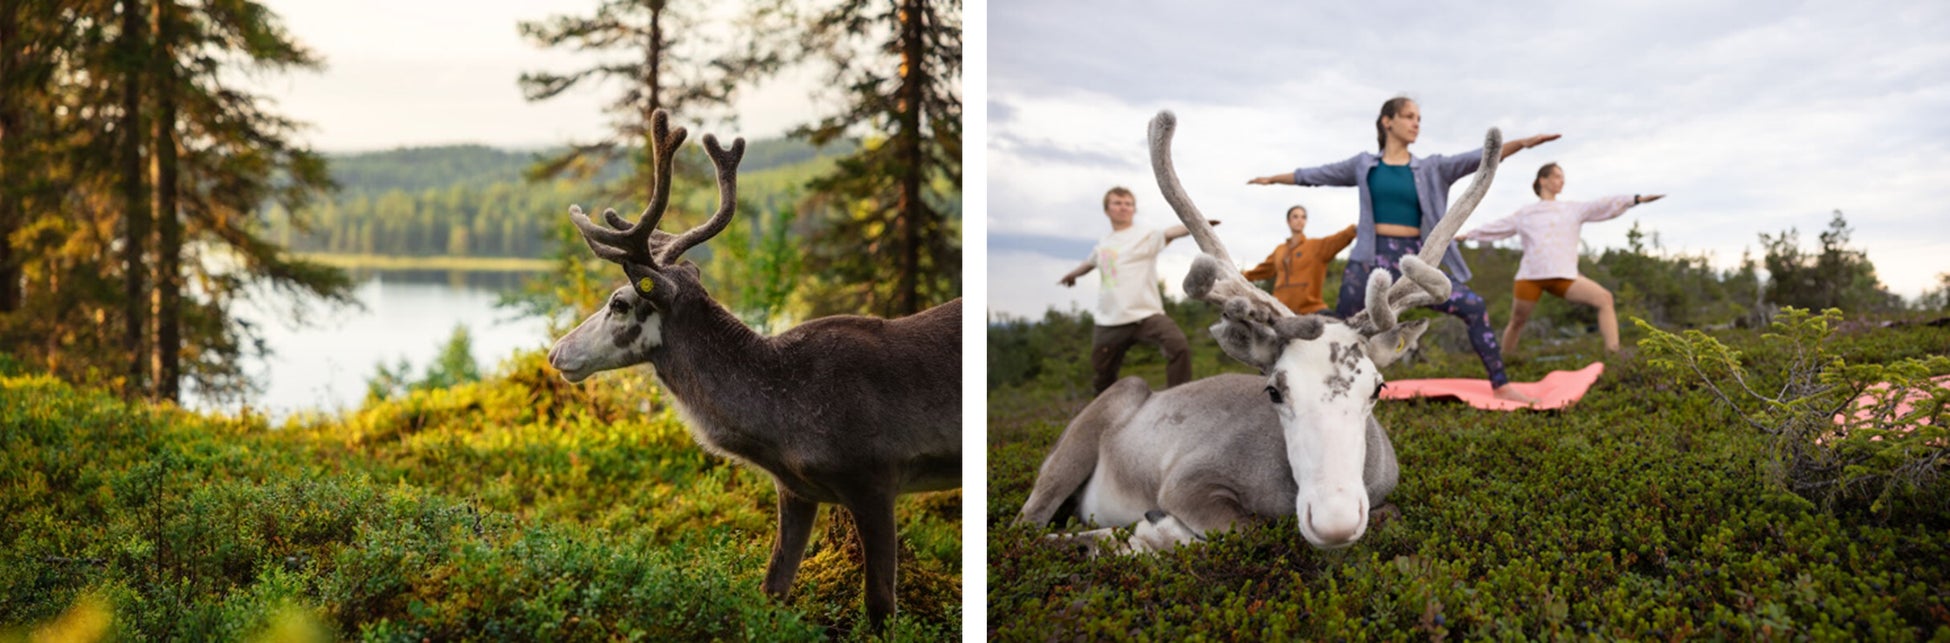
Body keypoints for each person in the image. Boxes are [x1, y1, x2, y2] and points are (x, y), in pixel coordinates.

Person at [1245, 96, 1558, 404]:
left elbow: (1482, 157)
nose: (1416, 124)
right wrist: (1274, 179)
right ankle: (1315, 394)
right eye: (1409, 116)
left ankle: (1501, 385)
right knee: (1341, 330)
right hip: (1368, 261)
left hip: (1416, 262)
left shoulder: (1433, 167)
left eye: (1419, 119)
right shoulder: (1363, 165)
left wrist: (1524, 143)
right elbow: (1315, 175)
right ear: (1387, 121)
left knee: (1473, 306)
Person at [1457, 162, 1665, 357]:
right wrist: (1468, 235)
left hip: (1563, 277)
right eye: (1556, 176)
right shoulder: (1526, 213)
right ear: (1543, 180)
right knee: (1518, 321)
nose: (1561, 180)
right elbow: (1497, 227)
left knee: (1604, 299)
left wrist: (1635, 199)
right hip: (1531, 277)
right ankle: (1503, 365)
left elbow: (1602, 204)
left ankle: (1614, 356)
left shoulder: (1572, 209)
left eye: (1562, 177)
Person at [1058, 186, 1212, 394]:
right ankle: (1105, 414)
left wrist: (1196, 225)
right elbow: (1089, 263)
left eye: (1128, 204)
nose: (1123, 208)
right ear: (1107, 210)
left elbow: (1170, 232)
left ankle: (1178, 397)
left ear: (1134, 209)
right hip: (1110, 318)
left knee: (1178, 346)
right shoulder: (1104, 243)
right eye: (1118, 203)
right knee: (1103, 374)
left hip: (1146, 314)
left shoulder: (1145, 235)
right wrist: (1073, 275)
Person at [1241, 205, 1355, 315]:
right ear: (1288, 221)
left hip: (1312, 310)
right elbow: (1261, 270)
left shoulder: (1315, 246)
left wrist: (1354, 229)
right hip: (1281, 310)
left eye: (1303, 217)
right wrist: (1238, 276)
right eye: (1295, 216)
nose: (1299, 220)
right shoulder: (1279, 250)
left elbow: (1338, 239)